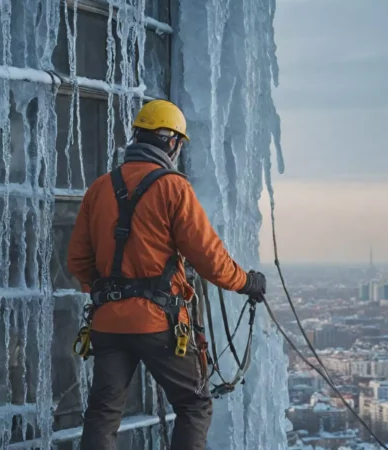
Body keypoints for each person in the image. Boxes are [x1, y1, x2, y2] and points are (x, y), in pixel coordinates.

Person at [67, 99, 267, 450]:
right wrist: (247, 283)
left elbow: (79, 261)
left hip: (108, 324)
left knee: (102, 413)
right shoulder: (174, 188)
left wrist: (108, 295)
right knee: (194, 405)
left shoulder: (99, 189)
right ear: (171, 141)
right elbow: (210, 259)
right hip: (158, 323)